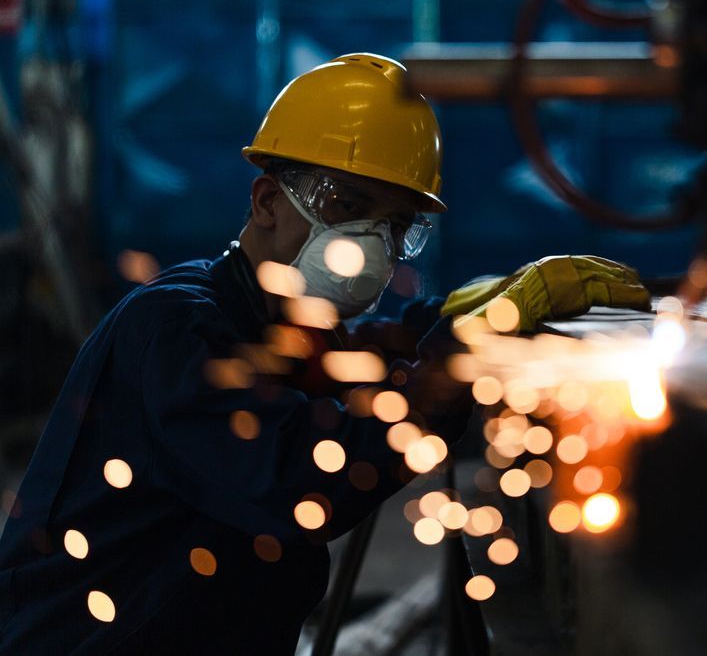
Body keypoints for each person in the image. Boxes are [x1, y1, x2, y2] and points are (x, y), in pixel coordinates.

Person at [0, 52, 650, 653]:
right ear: (266, 202)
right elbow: (292, 476)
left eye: (395, 225)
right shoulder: (175, 328)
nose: (372, 240)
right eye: (348, 205)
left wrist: (479, 309)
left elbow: (376, 351)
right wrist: (434, 385)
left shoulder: (292, 328)